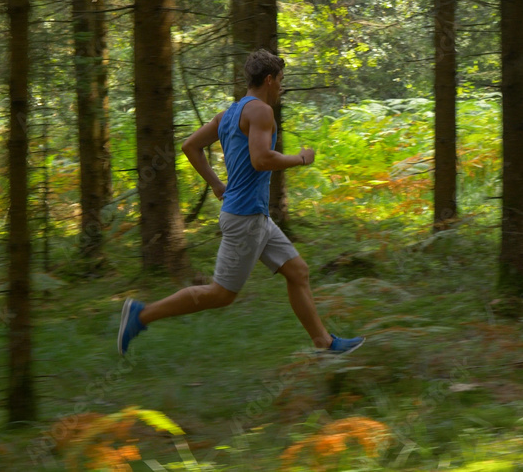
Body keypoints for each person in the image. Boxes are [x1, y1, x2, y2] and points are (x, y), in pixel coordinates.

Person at [118, 49, 364, 356]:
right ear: (270, 79)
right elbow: (261, 160)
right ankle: (141, 315)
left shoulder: (229, 114)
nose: (282, 88)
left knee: (298, 272)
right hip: (245, 217)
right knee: (221, 294)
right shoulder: (260, 111)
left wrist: (217, 184)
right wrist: (300, 159)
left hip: (252, 215)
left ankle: (324, 344)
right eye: (281, 81)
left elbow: (189, 146)